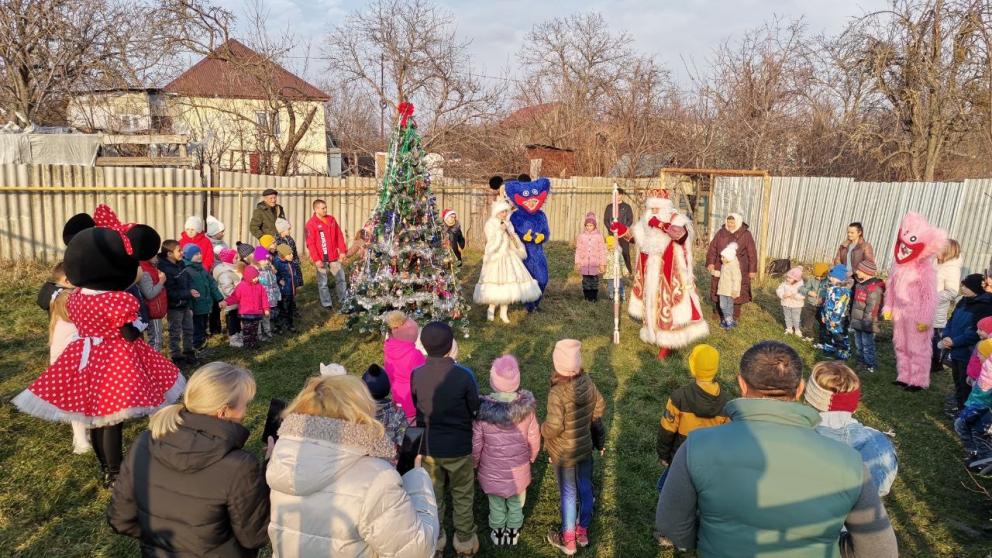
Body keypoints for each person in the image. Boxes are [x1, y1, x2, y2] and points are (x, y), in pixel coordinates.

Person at [655, 341, 899, 557]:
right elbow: (881, 551)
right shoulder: (851, 463)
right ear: (800, 389)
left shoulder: (697, 445)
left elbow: (672, 525)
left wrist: (706, 538)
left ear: (741, 384)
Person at [14, 204, 184, 487]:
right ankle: (115, 473)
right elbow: (129, 333)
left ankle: (106, 467)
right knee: (111, 419)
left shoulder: (76, 297)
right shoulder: (120, 300)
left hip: (85, 358)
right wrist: (138, 326)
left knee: (95, 418)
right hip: (116, 361)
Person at [266, 373, 439, 557]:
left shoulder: (283, 461)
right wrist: (416, 477)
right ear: (361, 414)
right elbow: (416, 551)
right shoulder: (378, 480)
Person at [107, 362, 269, 557]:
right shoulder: (240, 466)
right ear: (223, 411)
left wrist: (165, 544)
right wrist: (269, 473)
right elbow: (255, 536)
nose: (246, 412)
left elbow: (120, 519)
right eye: (246, 404)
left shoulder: (144, 442)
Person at [411, 321, 481, 556]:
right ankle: (465, 542)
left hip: (429, 446)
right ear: (452, 345)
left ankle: (436, 540)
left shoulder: (416, 375)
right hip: (459, 447)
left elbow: (416, 406)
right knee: (462, 493)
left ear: (423, 347)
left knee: (433, 495)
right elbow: (474, 407)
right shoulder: (464, 376)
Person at [615, 190, 708, 360]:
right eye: (651, 208)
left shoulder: (676, 219)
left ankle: (668, 343)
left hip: (670, 272)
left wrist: (662, 225)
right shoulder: (646, 220)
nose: (654, 211)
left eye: (657, 208)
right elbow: (639, 239)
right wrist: (622, 230)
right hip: (650, 271)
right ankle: (654, 334)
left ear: (665, 207)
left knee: (668, 305)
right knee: (652, 304)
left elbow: (682, 237)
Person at [543, 339, 607, 555]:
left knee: (569, 494)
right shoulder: (588, 382)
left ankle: (568, 540)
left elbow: (553, 426)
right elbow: (599, 406)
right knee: (586, 487)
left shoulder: (557, 393)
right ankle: (583, 530)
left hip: (564, 453)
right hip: (585, 447)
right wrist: (596, 434)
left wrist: (543, 429)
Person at [472, 355, 540, 547]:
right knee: (517, 502)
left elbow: (476, 443)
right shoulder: (527, 411)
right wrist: (532, 455)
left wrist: (475, 462)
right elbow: (534, 436)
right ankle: (513, 531)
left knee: (496, 504)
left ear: (493, 382)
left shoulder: (483, 413)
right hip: (519, 470)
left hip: (491, 471)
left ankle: (498, 530)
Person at [805, 361, 899, 497]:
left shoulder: (797, 440)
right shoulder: (881, 443)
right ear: (855, 407)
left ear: (809, 400)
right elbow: (882, 488)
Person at [656, 344, 730, 494]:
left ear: (692, 367)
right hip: (709, 462)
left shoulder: (679, 397)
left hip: (680, 458)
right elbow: (727, 437)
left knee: (668, 491)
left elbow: (667, 429)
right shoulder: (727, 402)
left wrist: (663, 455)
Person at [473, 199, 541, 324]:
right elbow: (491, 243)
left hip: (509, 256)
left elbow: (513, 238)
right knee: (496, 284)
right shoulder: (490, 224)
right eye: (502, 211)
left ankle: (504, 312)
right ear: (497, 212)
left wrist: (512, 236)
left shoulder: (508, 223)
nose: (504, 214)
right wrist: (500, 230)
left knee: (509, 285)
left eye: (506, 211)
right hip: (496, 257)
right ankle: (491, 309)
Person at [940, 274, 992, 406]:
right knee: (957, 379)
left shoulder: (984, 306)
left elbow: (977, 332)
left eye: (966, 286)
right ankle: (958, 405)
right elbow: (951, 320)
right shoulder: (963, 300)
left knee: (965, 383)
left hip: (966, 351)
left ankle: (964, 409)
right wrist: (946, 335)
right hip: (954, 348)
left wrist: (955, 341)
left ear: (974, 287)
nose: (962, 288)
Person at [705, 213, 758, 323]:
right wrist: (711, 263)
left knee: (737, 289)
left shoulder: (746, 234)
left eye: (732, 222)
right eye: (728, 222)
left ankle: (735, 314)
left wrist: (752, 270)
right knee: (719, 288)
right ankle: (718, 312)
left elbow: (752, 253)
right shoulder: (721, 233)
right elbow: (713, 249)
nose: (730, 225)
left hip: (739, 267)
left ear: (737, 222)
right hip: (721, 264)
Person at [304, 199, 348, 311]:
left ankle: (343, 300)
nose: (325, 210)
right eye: (322, 208)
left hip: (334, 257)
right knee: (323, 282)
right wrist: (316, 259)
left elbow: (339, 235)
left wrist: (342, 251)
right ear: (316, 209)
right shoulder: (311, 224)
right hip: (321, 258)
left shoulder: (331, 219)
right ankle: (326, 303)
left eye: (325, 207)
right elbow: (311, 243)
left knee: (341, 278)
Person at [954, 340, 992, 469]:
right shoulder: (986, 370)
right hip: (979, 408)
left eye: (980, 354)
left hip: (984, 412)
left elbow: (983, 397)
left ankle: (984, 461)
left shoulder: (989, 373)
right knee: (965, 426)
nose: (977, 356)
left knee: (978, 433)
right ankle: (975, 452)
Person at [158, 239, 196, 367]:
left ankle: (189, 352)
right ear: (169, 254)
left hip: (186, 304)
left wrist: (191, 288)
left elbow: (188, 279)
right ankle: (177, 356)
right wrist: (187, 294)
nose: (182, 252)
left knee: (189, 329)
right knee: (175, 331)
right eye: (179, 250)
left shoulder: (181, 264)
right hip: (175, 306)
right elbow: (170, 292)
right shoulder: (164, 270)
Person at [383, 310, 426, 424]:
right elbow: (423, 376)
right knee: (413, 425)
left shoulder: (388, 347)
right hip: (412, 398)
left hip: (396, 394)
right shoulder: (415, 354)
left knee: (400, 423)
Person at [182, 244, 224, 353]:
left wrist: (220, 298)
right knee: (197, 328)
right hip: (195, 306)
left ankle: (201, 347)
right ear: (188, 256)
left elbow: (212, 284)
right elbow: (187, 290)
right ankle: (195, 349)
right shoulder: (186, 271)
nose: (199, 255)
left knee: (203, 326)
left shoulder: (203, 269)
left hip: (205, 305)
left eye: (200, 253)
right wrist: (190, 307)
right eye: (196, 254)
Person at [850, 261, 885, 374]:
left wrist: (867, 322)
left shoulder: (873, 288)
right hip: (858, 321)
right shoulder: (860, 284)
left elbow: (873, 307)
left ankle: (870, 364)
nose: (857, 271)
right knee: (858, 343)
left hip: (867, 323)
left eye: (859, 270)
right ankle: (861, 361)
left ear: (866, 272)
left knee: (867, 344)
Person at [933, 239, 963, 372]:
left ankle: (935, 364)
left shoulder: (952, 269)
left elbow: (952, 292)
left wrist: (932, 298)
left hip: (935, 311)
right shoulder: (935, 262)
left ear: (947, 252)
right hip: (922, 308)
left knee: (934, 340)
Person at [224, 265, 270, 349]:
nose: (256, 279)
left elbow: (264, 298)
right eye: (254, 277)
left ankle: (253, 343)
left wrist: (266, 309)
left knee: (254, 329)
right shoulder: (241, 286)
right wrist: (226, 302)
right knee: (247, 329)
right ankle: (247, 344)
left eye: (257, 277)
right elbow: (235, 297)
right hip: (245, 314)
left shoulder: (260, 287)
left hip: (257, 313)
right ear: (248, 277)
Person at [363, 363, 408, 448]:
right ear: (388, 387)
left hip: (364, 458)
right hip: (389, 458)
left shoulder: (359, 411)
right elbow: (403, 440)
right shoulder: (398, 412)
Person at [814, 264, 852, 360]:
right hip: (828, 316)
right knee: (828, 333)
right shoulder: (831, 288)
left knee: (837, 335)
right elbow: (826, 303)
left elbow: (840, 307)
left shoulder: (843, 291)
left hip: (837, 318)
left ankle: (843, 351)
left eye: (834, 277)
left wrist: (834, 319)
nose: (831, 278)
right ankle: (829, 348)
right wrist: (823, 314)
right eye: (831, 276)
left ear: (841, 279)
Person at [213, 248, 243, 348]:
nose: (238, 260)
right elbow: (227, 289)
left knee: (237, 318)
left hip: (237, 300)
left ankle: (238, 334)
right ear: (229, 260)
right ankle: (233, 338)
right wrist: (239, 295)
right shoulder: (225, 273)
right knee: (232, 319)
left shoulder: (232, 269)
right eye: (236, 258)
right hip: (230, 302)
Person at [574, 212, 607, 302]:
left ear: (594, 226)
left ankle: (594, 297)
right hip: (584, 263)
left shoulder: (599, 236)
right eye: (587, 225)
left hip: (595, 263)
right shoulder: (581, 236)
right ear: (585, 226)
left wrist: (602, 263)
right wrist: (578, 262)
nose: (589, 227)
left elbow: (602, 251)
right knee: (585, 281)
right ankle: (587, 297)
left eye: (591, 225)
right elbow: (578, 250)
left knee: (594, 281)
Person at [137, 256, 167, 351]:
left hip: (154, 309)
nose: (156, 257)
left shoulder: (152, 268)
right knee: (156, 340)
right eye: (153, 255)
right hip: (152, 311)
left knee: (155, 338)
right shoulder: (145, 272)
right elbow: (149, 294)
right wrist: (161, 282)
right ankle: (154, 363)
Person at [603, 188, 634, 274]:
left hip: (623, 234)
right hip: (612, 234)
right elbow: (605, 220)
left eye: (619, 194)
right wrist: (611, 229)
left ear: (622, 195)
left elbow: (630, 219)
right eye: (616, 194)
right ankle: (613, 271)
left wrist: (623, 229)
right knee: (612, 252)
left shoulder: (627, 207)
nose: (618, 196)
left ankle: (628, 271)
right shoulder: (609, 207)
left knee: (625, 252)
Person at [800, 262, 830, 343]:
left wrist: (824, 298)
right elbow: (802, 289)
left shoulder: (829, 281)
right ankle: (808, 336)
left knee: (823, 323)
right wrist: (809, 292)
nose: (819, 278)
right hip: (811, 304)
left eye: (821, 277)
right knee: (807, 321)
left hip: (822, 306)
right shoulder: (811, 280)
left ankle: (823, 340)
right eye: (817, 276)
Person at [255, 245, 280, 339]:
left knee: (267, 316)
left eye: (268, 259)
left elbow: (273, 282)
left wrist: (273, 271)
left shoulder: (269, 269)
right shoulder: (258, 272)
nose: (267, 261)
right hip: (262, 298)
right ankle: (259, 334)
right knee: (261, 317)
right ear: (258, 260)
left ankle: (268, 332)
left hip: (270, 296)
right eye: (264, 259)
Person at [715, 242, 742, 329]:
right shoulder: (724, 265)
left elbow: (737, 279)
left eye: (723, 257)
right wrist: (715, 273)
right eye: (721, 257)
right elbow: (723, 274)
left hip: (729, 291)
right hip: (722, 289)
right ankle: (728, 319)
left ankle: (728, 320)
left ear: (729, 257)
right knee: (722, 305)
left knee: (728, 306)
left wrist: (735, 290)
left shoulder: (733, 267)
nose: (721, 259)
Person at [273, 244, 297, 333]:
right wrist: (279, 280)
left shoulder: (291, 262)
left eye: (292, 253)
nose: (292, 255)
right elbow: (274, 274)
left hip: (291, 290)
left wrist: (296, 282)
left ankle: (290, 324)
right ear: (282, 255)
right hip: (282, 291)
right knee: (281, 309)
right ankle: (278, 326)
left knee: (289, 308)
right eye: (289, 254)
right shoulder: (277, 263)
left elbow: (293, 274)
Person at [776, 266, 806, 336]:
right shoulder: (784, 284)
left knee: (796, 317)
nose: (787, 279)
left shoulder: (801, 286)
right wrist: (783, 295)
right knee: (787, 316)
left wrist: (794, 296)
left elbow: (803, 295)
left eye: (790, 278)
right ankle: (789, 328)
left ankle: (797, 329)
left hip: (796, 305)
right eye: (787, 277)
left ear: (796, 279)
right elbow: (779, 290)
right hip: (786, 303)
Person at [275, 217, 304, 289]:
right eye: (288, 229)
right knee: (288, 281)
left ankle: (295, 290)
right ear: (282, 230)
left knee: (295, 280)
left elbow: (294, 251)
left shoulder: (289, 238)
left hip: (294, 262)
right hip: (285, 265)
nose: (289, 231)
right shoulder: (278, 241)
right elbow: (279, 255)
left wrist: (297, 260)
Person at [603, 235, 628, 301]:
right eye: (609, 246)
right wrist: (602, 268)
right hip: (609, 274)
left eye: (613, 246)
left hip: (618, 274)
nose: (611, 248)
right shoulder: (605, 254)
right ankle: (611, 297)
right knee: (610, 286)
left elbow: (622, 263)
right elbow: (603, 263)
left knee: (620, 285)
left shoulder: (619, 254)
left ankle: (623, 297)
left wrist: (625, 271)